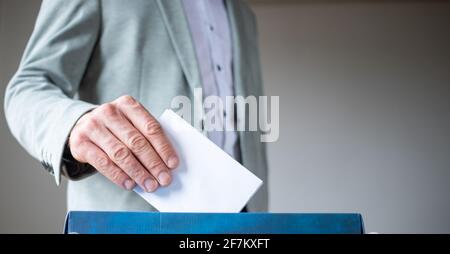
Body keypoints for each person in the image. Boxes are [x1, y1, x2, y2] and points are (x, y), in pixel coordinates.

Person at [4, 0, 268, 212]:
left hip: (241, 221)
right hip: (130, 219)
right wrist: (75, 122)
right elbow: (28, 86)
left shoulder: (243, 14)